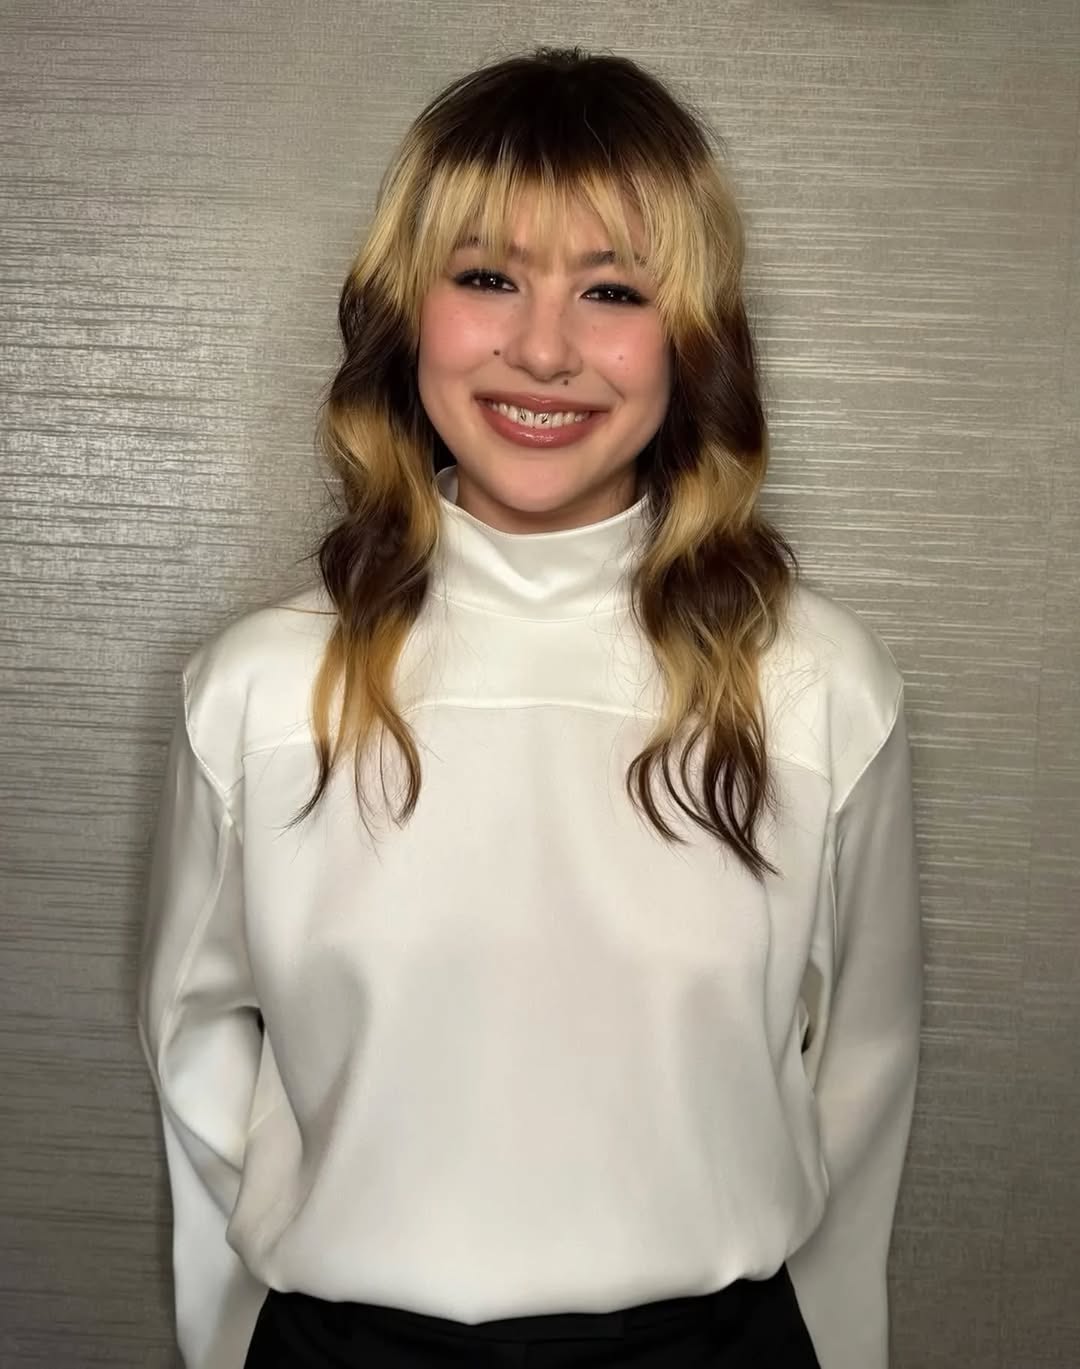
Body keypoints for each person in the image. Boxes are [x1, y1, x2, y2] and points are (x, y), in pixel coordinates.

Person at [136, 45, 923, 1369]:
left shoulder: (820, 685)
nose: (544, 349)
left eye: (613, 289)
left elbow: (864, 1071)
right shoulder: (259, 688)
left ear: (691, 336)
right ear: (409, 310)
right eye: (488, 278)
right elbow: (194, 1046)